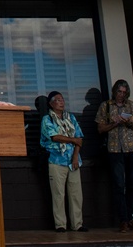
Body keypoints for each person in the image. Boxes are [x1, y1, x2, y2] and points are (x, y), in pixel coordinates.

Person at [95, 79, 133, 232]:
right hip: (115, 149)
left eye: (124, 92)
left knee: (132, 184)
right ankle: (123, 220)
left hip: (131, 148)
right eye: (119, 92)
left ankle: (130, 218)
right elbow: (100, 129)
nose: (121, 95)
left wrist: (129, 123)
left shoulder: (132, 106)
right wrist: (115, 123)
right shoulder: (106, 106)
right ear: (114, 91)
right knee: (118, 185)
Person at [40, 91, 87, 233]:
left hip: (73, 161)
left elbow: (80, 138)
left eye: (62, 99)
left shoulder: (71, 118)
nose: (62, 102)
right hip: (56, 160)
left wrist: (75, 157)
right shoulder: (47, 119)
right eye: (58, 100)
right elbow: (55, 137)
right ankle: (60, 224)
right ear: (51, 103)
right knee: (58, 194)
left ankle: (77, 224)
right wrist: (73, 140)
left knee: (76, 194)